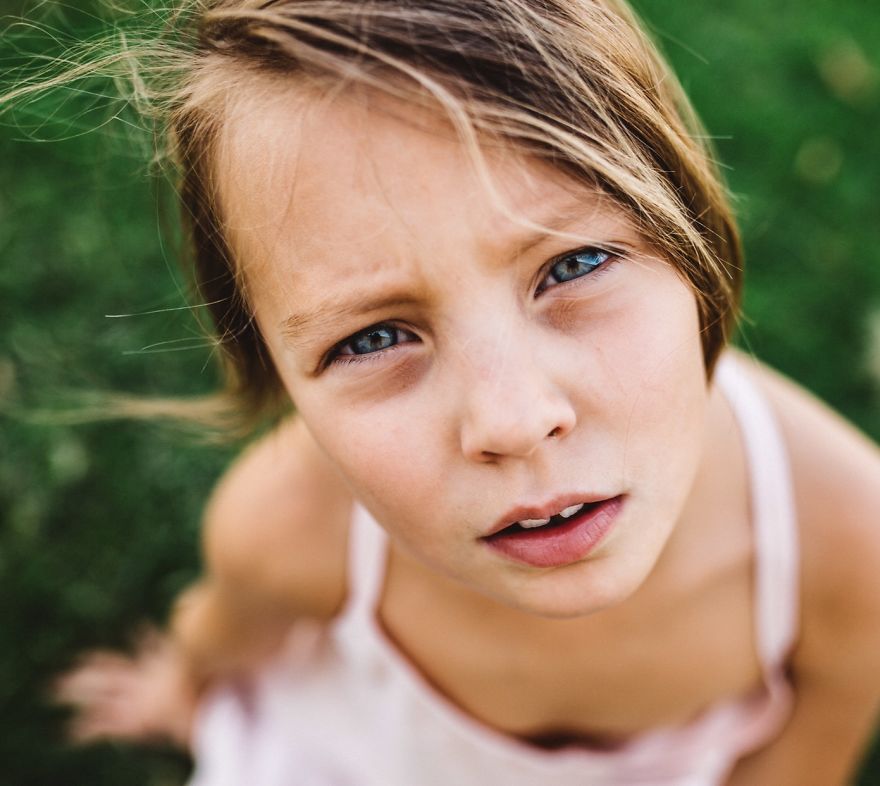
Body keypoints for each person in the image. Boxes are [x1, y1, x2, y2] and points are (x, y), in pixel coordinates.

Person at [49, 0, 880, 783]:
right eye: (373, 338)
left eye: (574, 265)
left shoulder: (847, 543)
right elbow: (228, 627)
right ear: (273, 371)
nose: (514, 421)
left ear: (689, 221)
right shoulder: (287, 527)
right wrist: (185, 688)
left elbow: (808, 759)